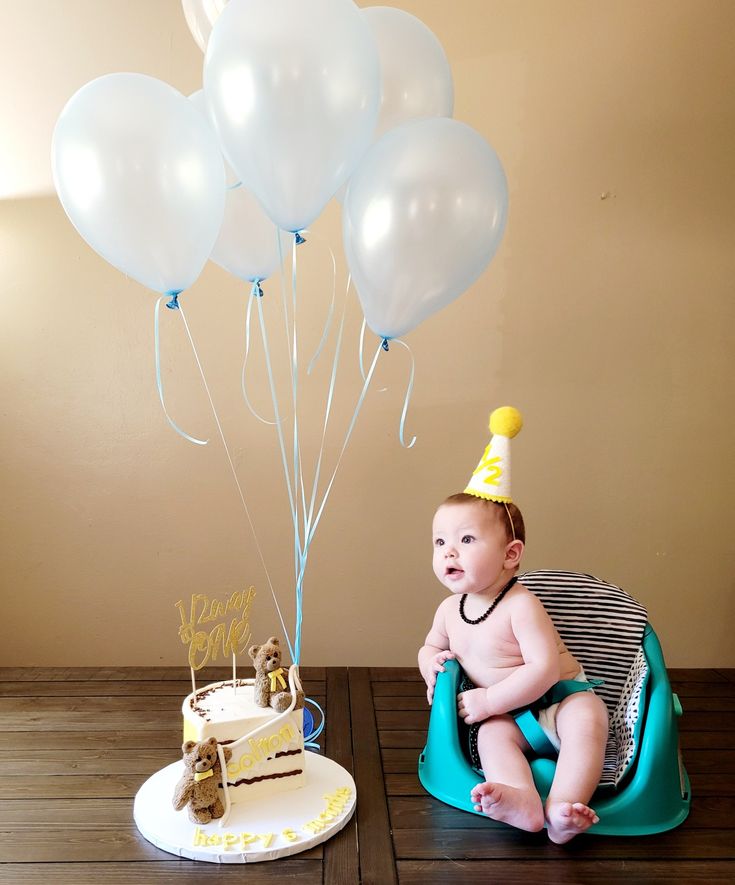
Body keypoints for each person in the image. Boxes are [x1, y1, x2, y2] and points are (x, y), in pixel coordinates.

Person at [417, 409, 609, 844]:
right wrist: (431, 663)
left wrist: (488, 699)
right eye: (440, 542)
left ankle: (564, 807)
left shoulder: (522, 605)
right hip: (508, 717)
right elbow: (429, 646)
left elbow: (542, 671)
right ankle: (521, 798)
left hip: (559, 702)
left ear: (510, 554)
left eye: (466, 540)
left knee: (588, 723)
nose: (450, 552)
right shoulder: (450, 609)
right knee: (492, 738)